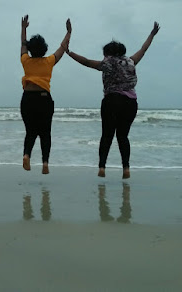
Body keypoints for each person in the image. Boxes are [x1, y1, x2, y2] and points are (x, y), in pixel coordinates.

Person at [65, 21, 160, 178]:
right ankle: (126, 168)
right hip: (130, 103)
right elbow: (143, 49)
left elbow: (86, 62)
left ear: (107, 53)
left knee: (107, 135)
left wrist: (69, 53)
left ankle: (102, 167)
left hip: (111, 101)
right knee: (123, 136)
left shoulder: (106, 63)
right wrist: (152, 34)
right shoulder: (131, 61)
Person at [20, 14, 71, 174]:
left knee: (30, 131)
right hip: (44, 99)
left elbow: (22, 45)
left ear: (30, 48)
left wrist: (23, 29)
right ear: (44, 48)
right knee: (45, 132)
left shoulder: (25, 60)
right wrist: (69, 32)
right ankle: (45, 163)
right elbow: (62, 48)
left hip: (27, 99)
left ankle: (27, 154)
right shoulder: (49, 61)